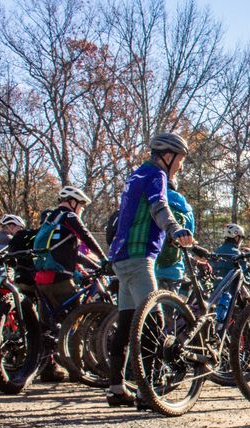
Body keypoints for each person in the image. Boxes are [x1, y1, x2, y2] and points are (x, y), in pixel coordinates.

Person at [105, 132, 194, 406]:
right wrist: (175, 228)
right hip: (138, 255)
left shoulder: (136, 176)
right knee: (152, 322)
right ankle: (148, 391)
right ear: (167, 156)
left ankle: (117, 388)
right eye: (179, 160)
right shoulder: (156, 175)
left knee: (128, 321)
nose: (180, 165)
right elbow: (159, 206)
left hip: (120, 257)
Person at [34, 186, 107, 311]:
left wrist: (95, 266)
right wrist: (103, 259)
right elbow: (86, 236)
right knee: (77, 319)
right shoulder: (69, 216)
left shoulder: (50, 219)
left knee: (53, 322)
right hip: (60, 279)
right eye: (81, 205)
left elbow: (74, 254)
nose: (81, 209)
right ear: (72, 202)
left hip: (41, 278)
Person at [153, 185, 196, 292]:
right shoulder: (186, 209)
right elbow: (188, 241)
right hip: (173, 270)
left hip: (148, 266)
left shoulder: (150, 202)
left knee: (144, 306)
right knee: (169, 305)